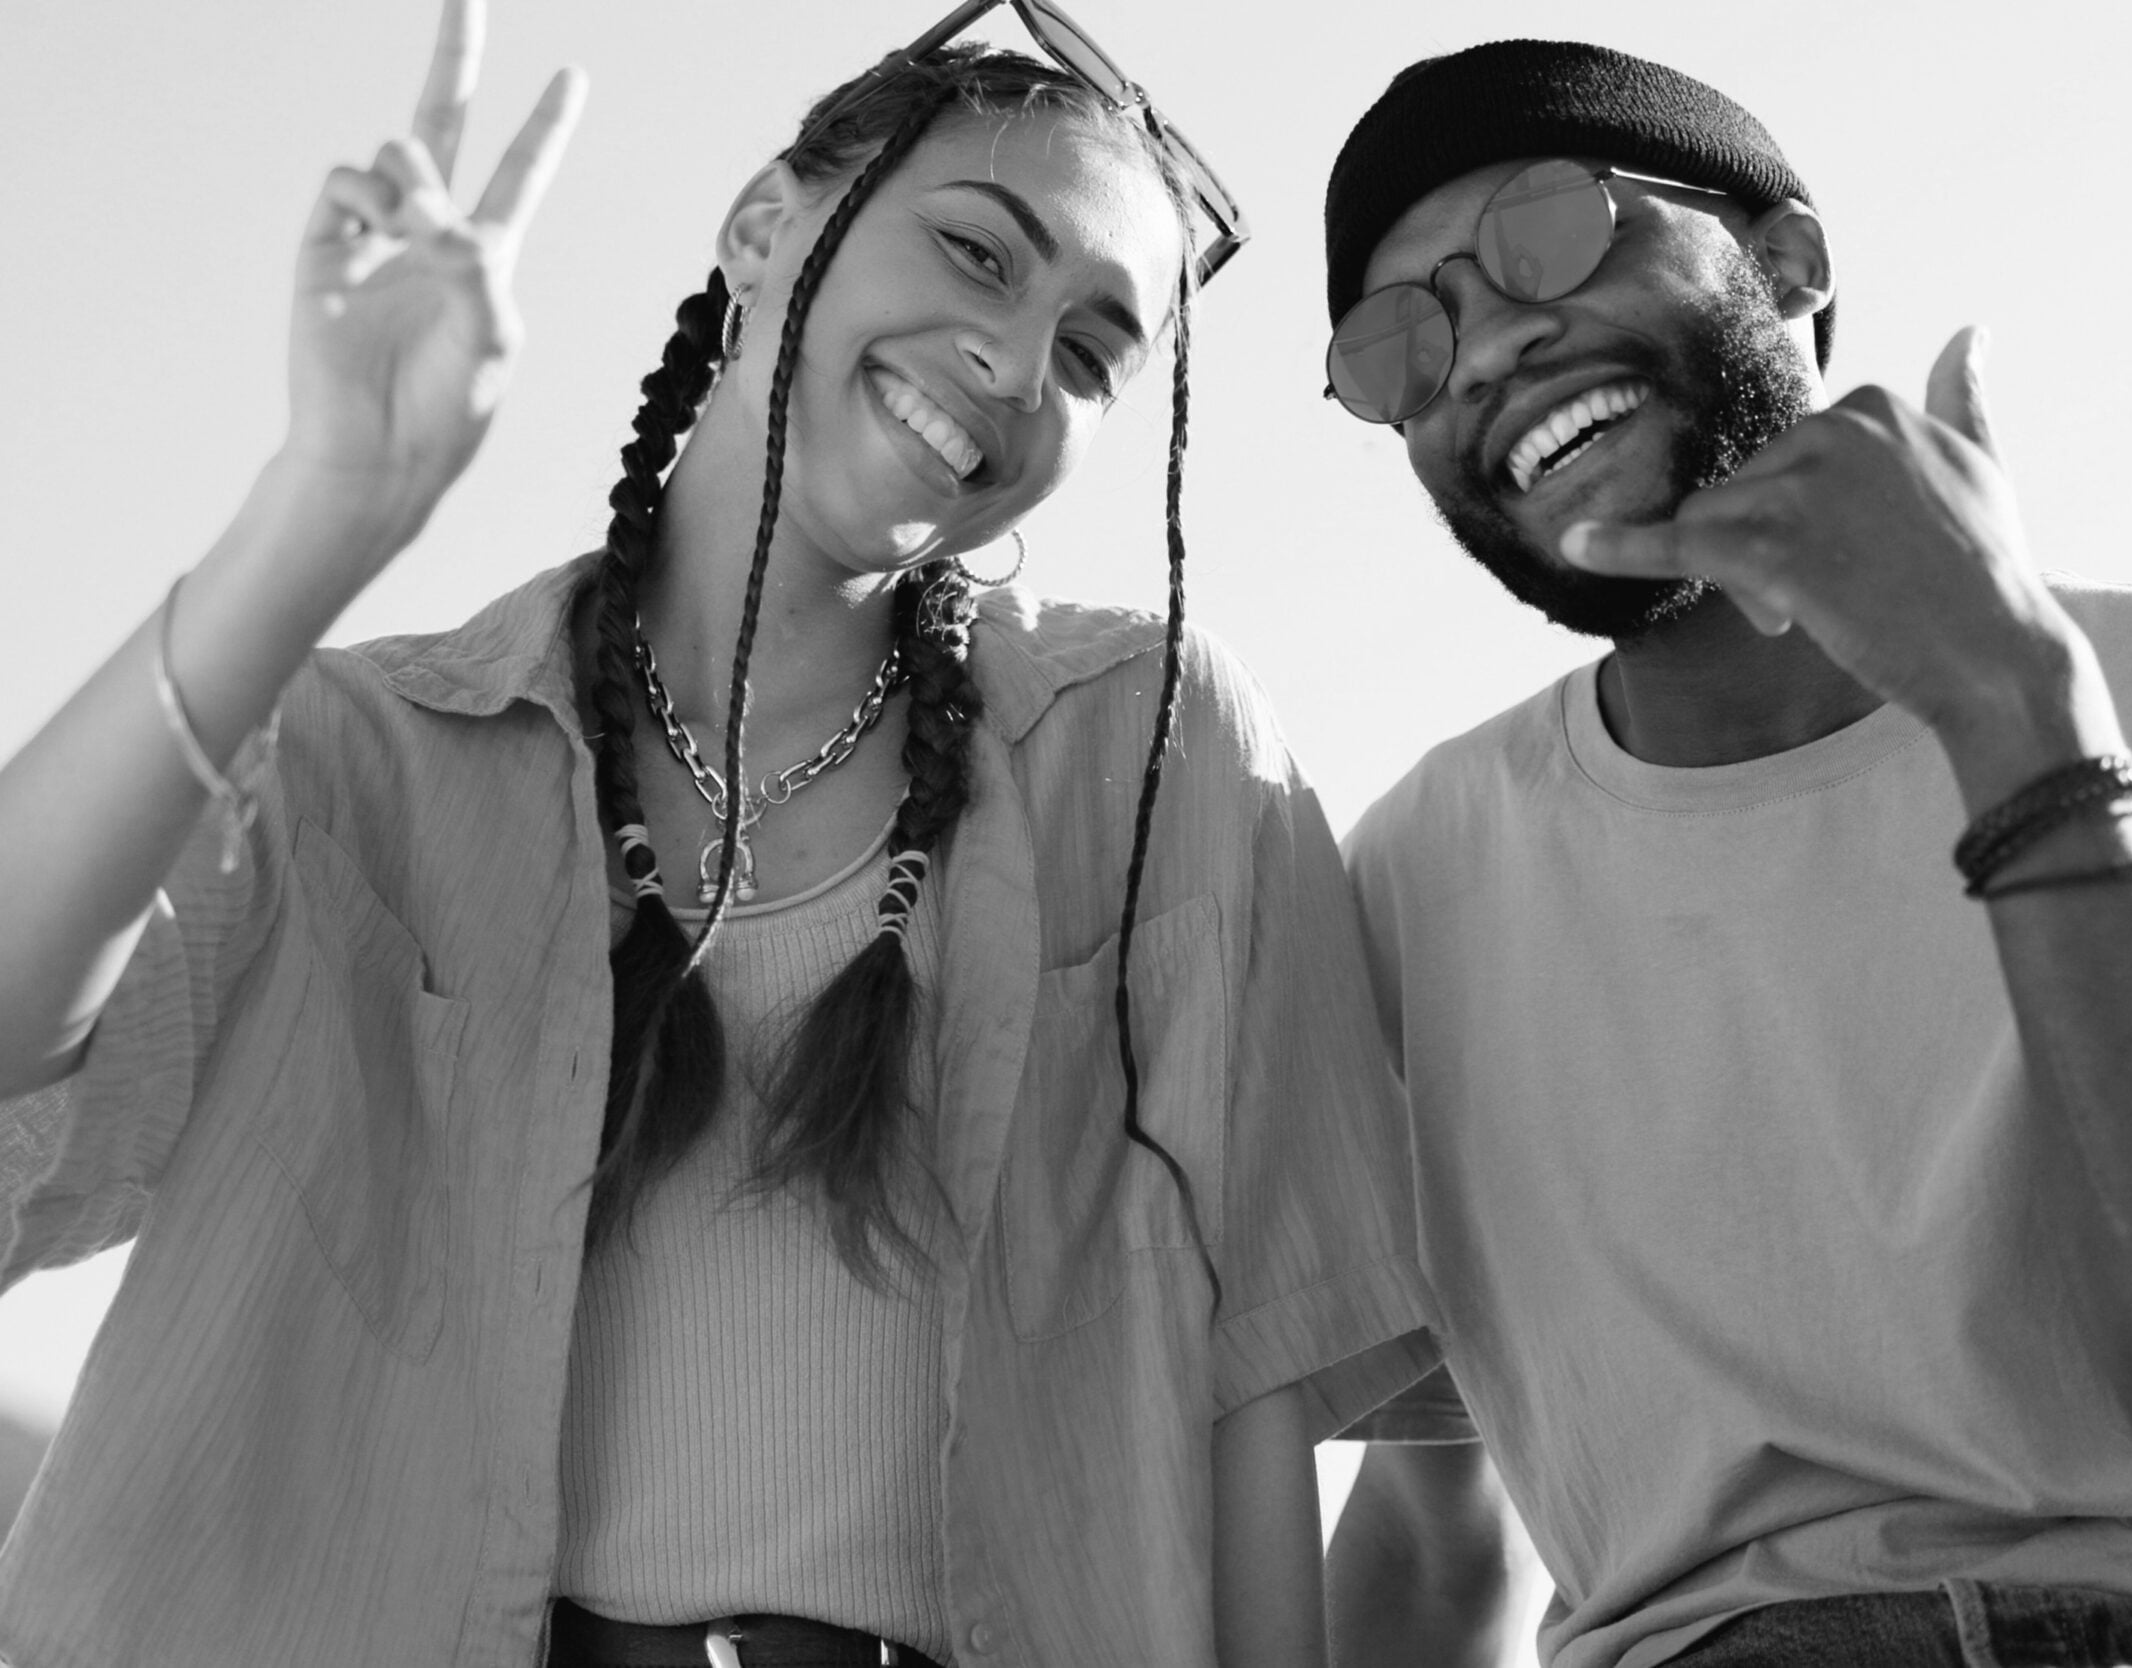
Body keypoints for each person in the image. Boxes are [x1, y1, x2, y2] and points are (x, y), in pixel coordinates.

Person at [0, 3, 1436, 1664]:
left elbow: (1251, 1385)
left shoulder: (1156, 750)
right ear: (763, 225)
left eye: (1096, 351)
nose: (1018, 363)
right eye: (978, 252)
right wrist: (316, 516)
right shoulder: (356, 759)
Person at [1312, 38, 2132, 1668]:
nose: (1490, 344)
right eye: (1398, 341)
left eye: (1551, 232)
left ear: (1788, 262)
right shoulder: (1404, 890)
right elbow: (1437, 1529)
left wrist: (2014, 719)